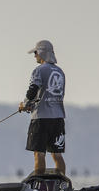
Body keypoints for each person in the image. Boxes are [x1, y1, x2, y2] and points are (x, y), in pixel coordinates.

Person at [18, 39, 66, 175]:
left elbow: (32, 91)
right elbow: (52, 94)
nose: (34, 56)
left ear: (41, 53)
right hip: (58, 118)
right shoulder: (60, 72)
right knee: (57, 155)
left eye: (35, 53)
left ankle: (40, 189)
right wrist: (33, 104)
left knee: (39, 154)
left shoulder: (38, 70)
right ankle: (62, 188)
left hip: (41, 119)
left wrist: (25, 105)